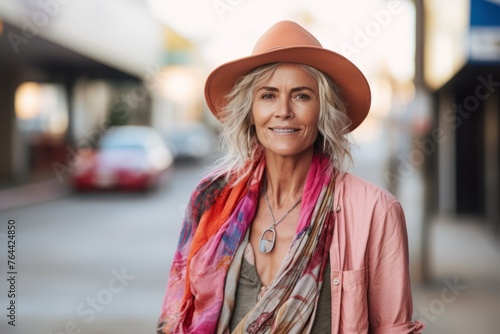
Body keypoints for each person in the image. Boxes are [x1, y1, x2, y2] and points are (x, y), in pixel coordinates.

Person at [156, 20, 425, 334]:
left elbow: (392, 328)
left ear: (323, 109)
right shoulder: (212, 198)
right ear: (250, 110)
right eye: (268, 96)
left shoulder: (376, 211)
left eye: (302, 96)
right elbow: (178, 315)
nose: (283, 110)